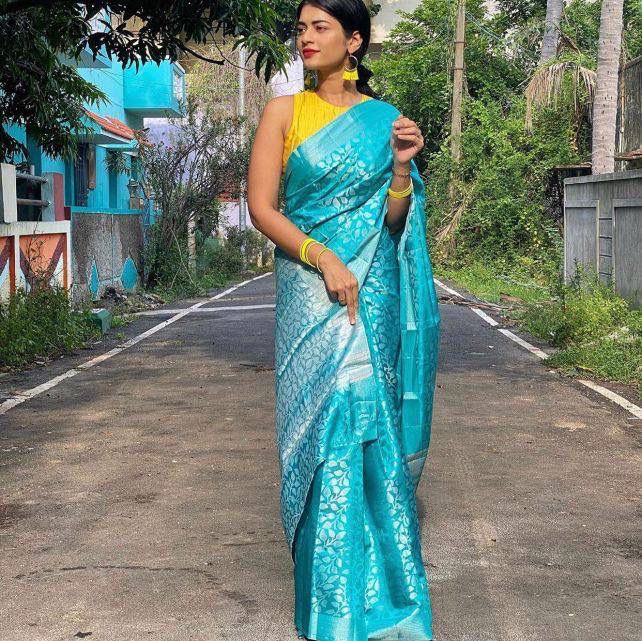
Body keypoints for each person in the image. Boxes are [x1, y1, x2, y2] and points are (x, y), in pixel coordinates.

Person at [247, 1, 441, 639]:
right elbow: (262, 208)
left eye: (320, 27)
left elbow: (393, 222)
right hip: (310, 289)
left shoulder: (386, 120)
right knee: (322, 426)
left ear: (354, 41)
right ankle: (328, 607)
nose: (305, 37)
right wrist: (323, 256)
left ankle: (387, 606)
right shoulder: (283, 112)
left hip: (372, 290)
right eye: (301, 27)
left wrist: (403, 168)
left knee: (367, 424)